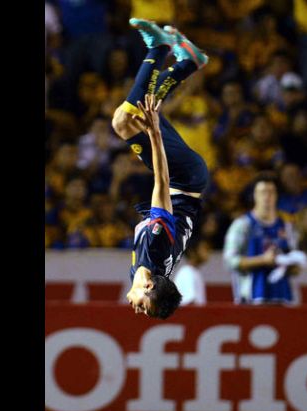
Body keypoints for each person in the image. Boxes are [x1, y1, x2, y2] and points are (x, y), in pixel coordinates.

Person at [112, 19, 209, 318]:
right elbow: (162, 183)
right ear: (151, 287)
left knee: (140, 109)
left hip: (186, 180)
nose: (136, 309)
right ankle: (159, 46)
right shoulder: (156, 249)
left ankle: (188, 63)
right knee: (123, 122)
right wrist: (155, 135)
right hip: (184, 178)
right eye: (144, 305)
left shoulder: (140, 273)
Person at [223, 174, 305, 305]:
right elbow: (230, 261)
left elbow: (296, 264)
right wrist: (263, 260)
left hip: (284, 300)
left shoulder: (287, 227)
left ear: (277, 195)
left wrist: (292, 265)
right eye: (262, 192)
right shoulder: (242, 225)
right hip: (251, 300)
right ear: (255, 195)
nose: (267, 197)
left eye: (271, 192)